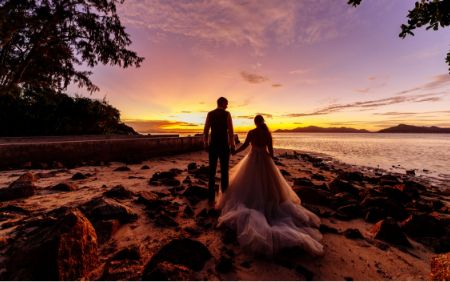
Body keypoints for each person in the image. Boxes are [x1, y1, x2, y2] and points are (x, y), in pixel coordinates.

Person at [217, 115, 324, 257]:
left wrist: (235, 151)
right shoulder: (267, 133)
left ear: (255, 122)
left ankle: (251, 202)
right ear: (263, 122)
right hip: (265, 160)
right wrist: (271, 161)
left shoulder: (251, 132)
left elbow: (244, 146)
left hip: (253, 159)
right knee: (268, 185)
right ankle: (269, 203)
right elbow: (271, 151)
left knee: (250, 184)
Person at [203, 97, 235, 204]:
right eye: (226, 103)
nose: (227, 106)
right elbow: (230, 131)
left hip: (213, 145)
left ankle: (211, 198)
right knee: (224, 171)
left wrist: (205, 143)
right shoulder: (227, 114)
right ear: (222, 103)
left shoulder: (210, 114)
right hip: (224, 146)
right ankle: (224, 198)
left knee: (211, 171)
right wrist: (233, 145)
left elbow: (206, 130)